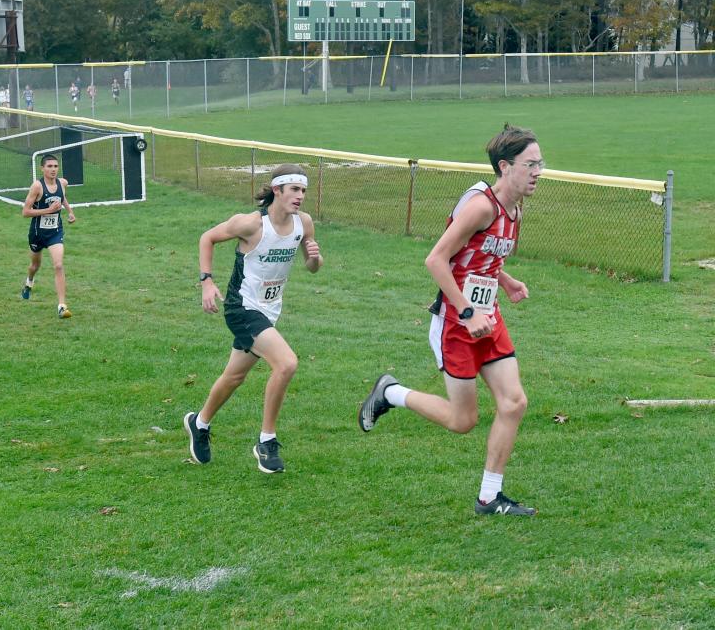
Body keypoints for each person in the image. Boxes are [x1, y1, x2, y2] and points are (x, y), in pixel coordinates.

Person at [357, 124, 542, 516]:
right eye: (531, 164)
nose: (538, 171)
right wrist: (467, 310)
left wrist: (505, 281)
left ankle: (490, 497)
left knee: (514, 402)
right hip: (457, 324)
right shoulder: (482, 206)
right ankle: (390, 393)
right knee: (463, 421)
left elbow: (482, 254)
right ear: (505, 167)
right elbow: (436, 260)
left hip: (488, 318)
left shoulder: (516, 208)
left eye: (540, 163)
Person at [183, 164, 323, 474]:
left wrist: (313, 257)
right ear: (277, 191)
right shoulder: (250, 224)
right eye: (295, 190)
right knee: (286, 363)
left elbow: (312, 267)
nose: (300, 197)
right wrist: (206, 281)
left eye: (304, 191)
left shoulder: (304, 224)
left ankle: (200, 422)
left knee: (234, 376)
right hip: (242, 306)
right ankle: (266, 441)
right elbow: (207, 238)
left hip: (270, 310)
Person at [20, 154, 77, 319]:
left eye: (55, 166)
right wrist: (48, 210)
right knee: (34, 266)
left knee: (58, 265)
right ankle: (29, 282)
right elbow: (25, 212)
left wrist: (70, 212)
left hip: (55, 232)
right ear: (42, 168)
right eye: (49, 166)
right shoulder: (37, 186)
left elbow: (62, 197)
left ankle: (62, 306)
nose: (53, 169)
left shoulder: (63, 183)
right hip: (37, 234)